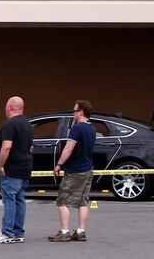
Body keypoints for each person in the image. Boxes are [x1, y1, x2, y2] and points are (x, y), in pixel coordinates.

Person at [48, 100, 96, 242]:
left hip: (74, 170)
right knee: (83, 201)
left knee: (63, 200)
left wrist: (59, 164)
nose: (73, 113)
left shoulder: (78, 128)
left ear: (81, 112)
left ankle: (64, 232)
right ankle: (80, 231)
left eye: (75, 111)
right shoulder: (91, 128)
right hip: (87, 168)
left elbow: (69, 148)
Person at [0, 96, 33, 244]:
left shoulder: (10, 124)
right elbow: (30, 147)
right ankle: (18, 232)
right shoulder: (27, 124)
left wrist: (0, 165)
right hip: (25, 167)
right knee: (19, 199)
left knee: (9, 200)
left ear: (10, 107)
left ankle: (7, 232)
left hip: (12, 168)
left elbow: (6, 146)